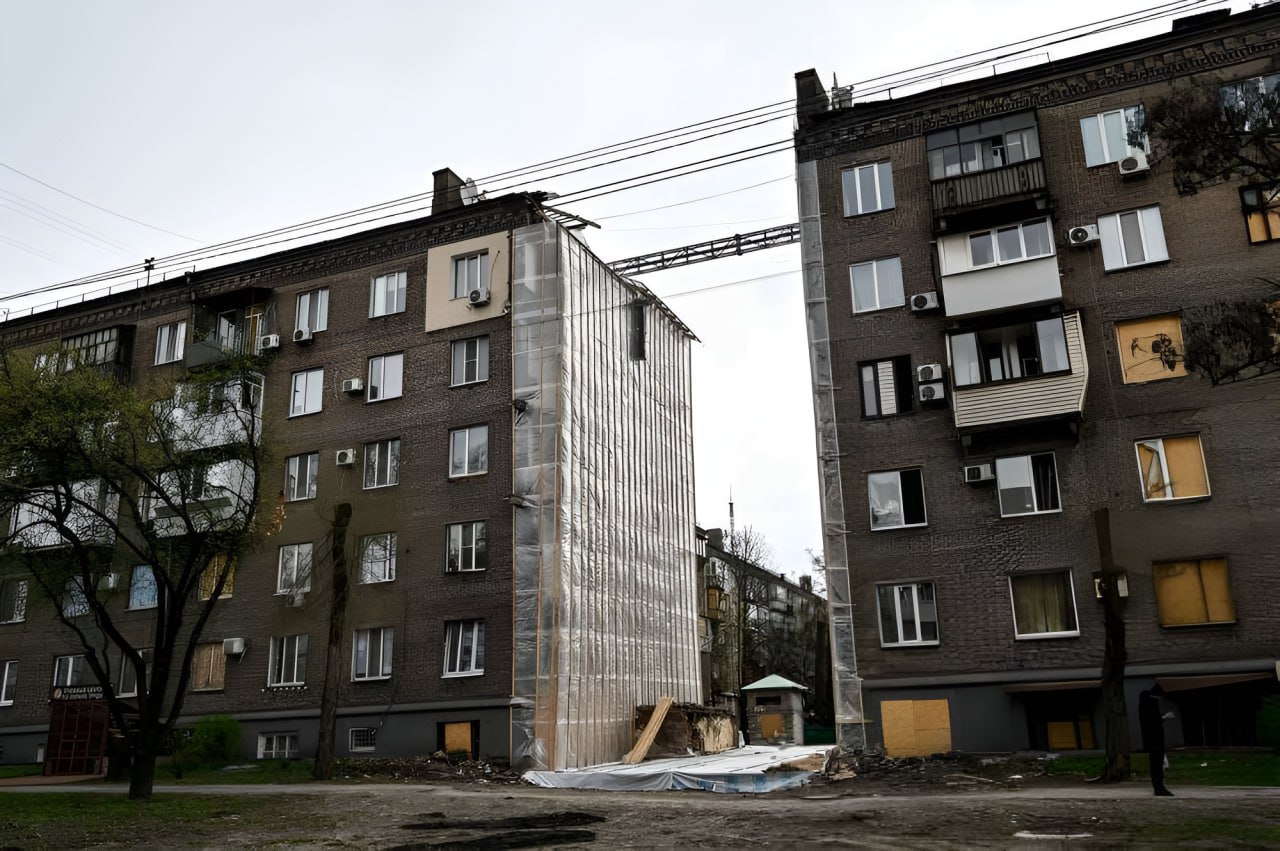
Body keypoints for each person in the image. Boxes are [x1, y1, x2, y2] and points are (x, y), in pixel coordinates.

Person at [1138, 687, 1173, 796]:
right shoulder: (1150, 706)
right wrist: (1165, 717)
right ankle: (1159, 787)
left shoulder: (1143, 707)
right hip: (1156, 739)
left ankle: (1158, 786)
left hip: (1150, 740)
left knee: (1156, 764)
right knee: (1157, 764)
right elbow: (1154, 721)